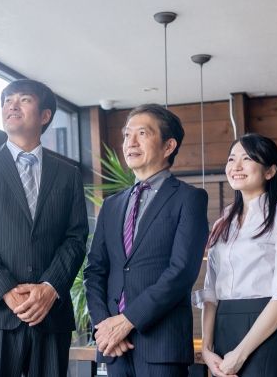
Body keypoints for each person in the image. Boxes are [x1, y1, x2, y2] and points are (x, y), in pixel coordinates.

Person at [0, 79, 88, 377]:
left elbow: (76, 238)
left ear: (45, 116)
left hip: (49, 313)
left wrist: (50, 288)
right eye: (7, 100)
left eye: (24, 99)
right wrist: (5, 290)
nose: (12, 105)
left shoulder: (68, 175)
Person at [85, 104, 209, 377]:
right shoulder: (111, 205)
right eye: (127, 134)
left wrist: (128, 320)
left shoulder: (189, 199)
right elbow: (94, 271)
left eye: (142, 133)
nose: (131, 142)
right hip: (115, 347)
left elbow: (181, 273)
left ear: (168, 146)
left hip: (162, 345)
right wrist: (105, 326)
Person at [195, 133, 277, 377]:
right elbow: (211, 292)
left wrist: (240, 354)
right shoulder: (222, 223)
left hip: (266, 334)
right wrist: (206, 348)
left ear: (270, 171)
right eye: (231, 159)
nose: (236, 166)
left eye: (247, 159)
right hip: (222, 333)